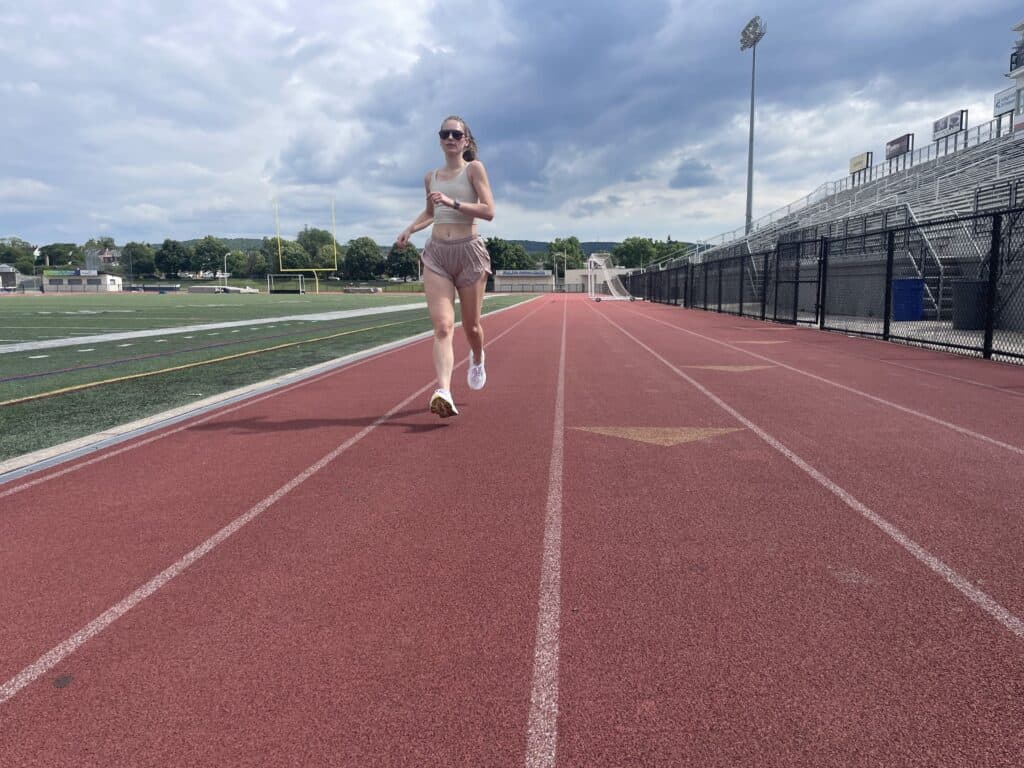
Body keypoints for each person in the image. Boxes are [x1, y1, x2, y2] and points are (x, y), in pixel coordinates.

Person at [396, 115, 495, 418]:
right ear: (439, 140)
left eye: (456, 134)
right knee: (442, 327)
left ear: (465, 140)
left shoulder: (473, 169)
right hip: (437, 254)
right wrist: (411, 228)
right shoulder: (431, 177)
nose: (450, 138)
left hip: (469, 253)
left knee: (472, 327)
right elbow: (431, 212)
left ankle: (477, 357)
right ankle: (444, 391)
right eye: (445, 134)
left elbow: (489, 211)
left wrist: (453, 203)